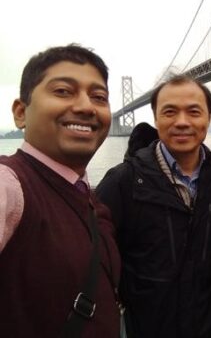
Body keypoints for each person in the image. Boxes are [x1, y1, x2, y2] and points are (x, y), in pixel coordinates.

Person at [96, 74, 211, 338]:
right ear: (155, 118)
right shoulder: (123, 181)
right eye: (169, 112)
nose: (182, 122)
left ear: (208, 119)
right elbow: (96, 261)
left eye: (194, 112)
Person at [0, 44, 121, 337]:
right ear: (20, 112)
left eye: (99, 97)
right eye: (63, 91)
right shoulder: (11, 185)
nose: (85, 106)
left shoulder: (88, 199)